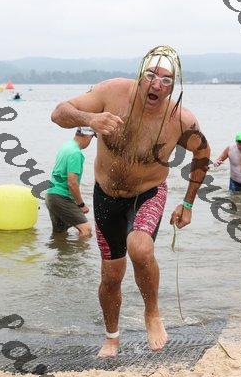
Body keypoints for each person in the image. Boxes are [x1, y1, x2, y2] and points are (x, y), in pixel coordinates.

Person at [51, 45, 210, 357]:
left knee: (140, 247)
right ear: (140, 75)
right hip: (106, 196)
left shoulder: (180, 120)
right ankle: (112, 337)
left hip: (148, 192)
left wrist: (188, 204)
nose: (157, 84)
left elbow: (202, 153)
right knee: (111, 276)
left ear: (173, 87)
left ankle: (152, 312)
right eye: (151, 75)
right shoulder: (111, 93)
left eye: (166, 80)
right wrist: (91, 119)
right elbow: (59, 113)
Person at [45, 127, 94, 238]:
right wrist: (81, 204)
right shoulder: (76, 153)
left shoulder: (66, 146)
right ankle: (78, 250)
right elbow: (72, 183)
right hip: (61, 197)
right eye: (91, 138)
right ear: (87, 136)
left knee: (60, 233)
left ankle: (61, 249)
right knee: (86, 229)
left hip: (51, 195)